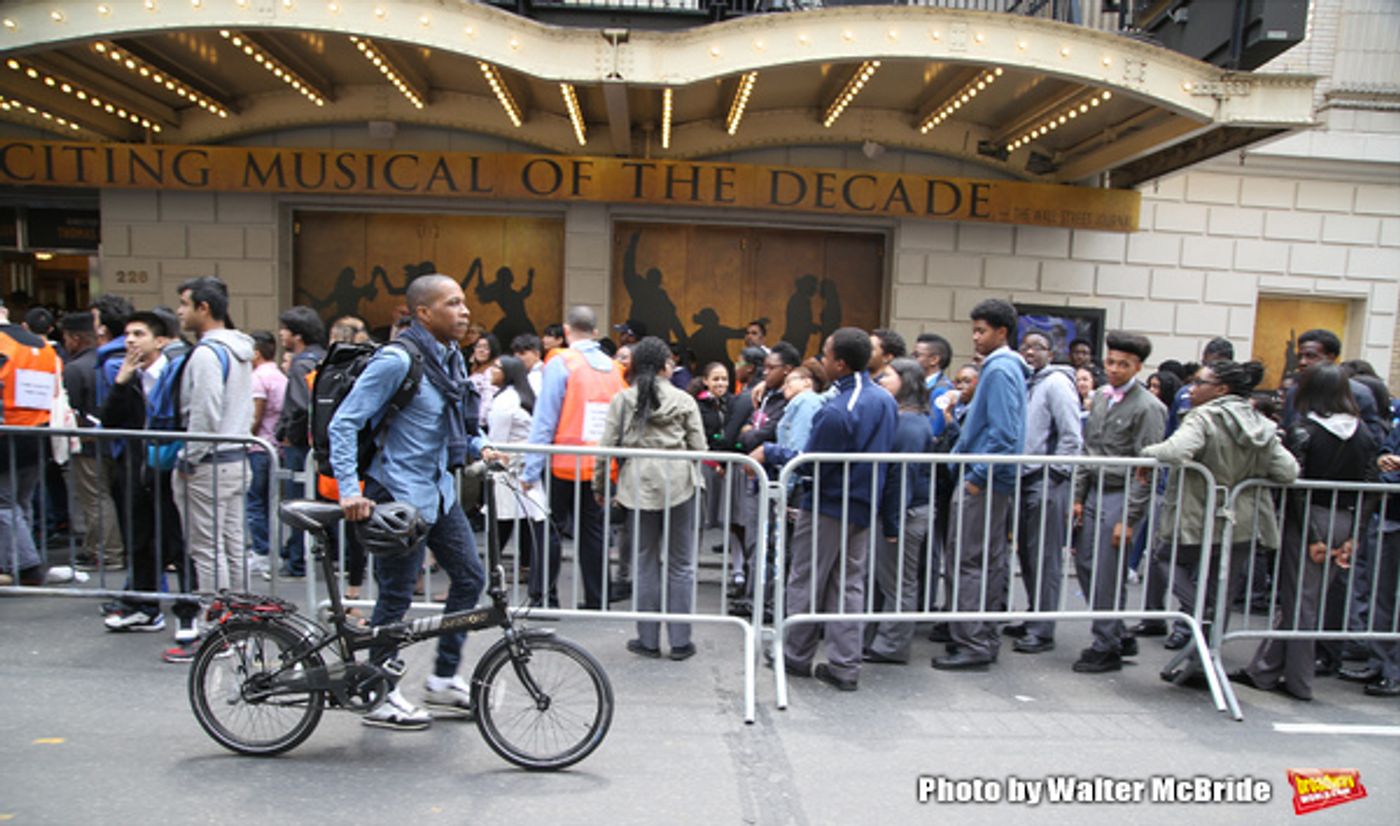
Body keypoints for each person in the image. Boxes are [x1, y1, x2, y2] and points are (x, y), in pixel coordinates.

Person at [331, 273, 490, 730]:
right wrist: (349, 490)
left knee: (469, 578)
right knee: (396, 597)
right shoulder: (397, 360)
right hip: (397, 493)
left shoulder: (450, 360)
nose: (464, 311)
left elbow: (451, 422)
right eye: (453, 303)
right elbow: (345, 423)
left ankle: (441, 678)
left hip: (438, 493)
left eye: (464, 302)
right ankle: (377, 693)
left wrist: (481, 448)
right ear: (424, 313)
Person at [1139, 361, 1299, 663]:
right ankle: (1206, 655)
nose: (1192, 389)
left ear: (1221, 389)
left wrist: (1146, 455)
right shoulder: (1259, 422)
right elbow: (1288, 470)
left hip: (1199, 516)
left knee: (1165, 557)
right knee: (1223, 584)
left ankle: (1198, 613)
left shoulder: (1204, 417)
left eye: (1199, 383)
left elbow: (1175, 451)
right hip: (1242, 519)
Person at [1234, 364, 1377, 701]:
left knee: (1302, 602)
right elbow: (1371, 489)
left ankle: (1298, 680)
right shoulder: (1364, 434)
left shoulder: (1305, 430)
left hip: (1310, 520)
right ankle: (1266, 670)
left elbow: (1296, 487)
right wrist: (1354, 534)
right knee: (1307, 599)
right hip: (1346, 518)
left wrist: (1314, 536)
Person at [779, 328, 897, 691]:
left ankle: (795, 655)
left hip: (830, 504)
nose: (823, 361)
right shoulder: (883, 399)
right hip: (863, 505)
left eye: (827, 356)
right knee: (849, 584)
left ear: (841, 363)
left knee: (806, 578)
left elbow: (812, 462)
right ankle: (845, 665)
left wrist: (770, 453)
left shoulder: (840, 408)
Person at [595, 337, 707, 660]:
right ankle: (681, 641)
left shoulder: (623, 399)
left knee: (645, 562)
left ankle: (647, 640)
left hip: (637, 485)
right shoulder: (684, 400)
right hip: (681, 484)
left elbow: (606, 448)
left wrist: (600, 487)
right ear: (664, 366)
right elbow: (700, 449)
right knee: (681, 565)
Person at [933, 300, 1029, 672]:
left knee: (969, 561)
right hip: (988, 478)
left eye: (981, 330)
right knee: (984, 560)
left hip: (985, 481)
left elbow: (1004, 433)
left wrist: (975, 478)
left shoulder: (1001, 369)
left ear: (1001, 332)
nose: (975, 337)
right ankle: (980, 637)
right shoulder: (1004, 368)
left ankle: (972, 640)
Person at [166, 277, 256, 660]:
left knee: (207, 549)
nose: (180, 313)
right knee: (233, 546)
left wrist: (189, 457)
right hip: (236, 458)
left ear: (204, 307)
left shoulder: (206, 354)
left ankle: (218, 629)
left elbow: (204, 413)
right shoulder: (240, 350)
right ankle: (240, 625)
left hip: (210, 463)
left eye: (185, 304)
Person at [1070, 331, 1166, 674]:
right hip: (1095, 487)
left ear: (1138, 367)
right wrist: (1078, 497)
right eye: (1110, 362)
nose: (1114, 369)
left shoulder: (1149, 408)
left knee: (1107, 571)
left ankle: (1106, 643)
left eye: (1123, 364)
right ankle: (1117, 631)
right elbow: (1088, 449)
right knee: (1084, 564)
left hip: (1121, 492)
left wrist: (1129, 517)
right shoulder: (1100, 398)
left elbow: (1145, 468)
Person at [523, 306, 627, 609]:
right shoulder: (613, 369)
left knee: (550, 529)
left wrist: (531, 470)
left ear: (567, 331)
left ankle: (545, 599)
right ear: (595, 332)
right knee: (593, 532)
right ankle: (599, 599)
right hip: (599, 464)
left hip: (561, 462)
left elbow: (545, 419)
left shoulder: (561, 363)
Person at [98, 312, 185, 630]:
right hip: (135, 469)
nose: (131, 340)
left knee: (177, 542)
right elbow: (109, 419)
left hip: (168, 469)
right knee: (139, 540)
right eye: (127, 334)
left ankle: (187, 612)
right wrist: (122, 381)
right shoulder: (129, 376)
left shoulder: (175, 374)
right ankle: (145, 607)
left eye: (139, 334)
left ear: (160, 341)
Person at [1002, 330, 1082, 655]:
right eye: (1026, 346)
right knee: (1028, 553)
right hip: (1023, 478)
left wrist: (1056, 474)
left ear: (1051, 352)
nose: (1031, 351)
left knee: (1045, 555)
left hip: (1045, 479)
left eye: (1039, 347)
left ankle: (1043, 627)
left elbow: (1070, 435)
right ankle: (1035, 613)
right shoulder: (1026, 382)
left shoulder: (1057, 384)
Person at [864, 358, 936, 664]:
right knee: (889, 579)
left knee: (898, 582)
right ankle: (881, 639)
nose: (881, 379)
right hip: (901, 510)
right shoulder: (906, 419)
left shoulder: (909, 424)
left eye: (889, 376)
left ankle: (892, 645)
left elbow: (901, 477)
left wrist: (892, 524)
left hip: (905, 513)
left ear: (906, 382)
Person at [0, 302, 63, 586]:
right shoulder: (42, 347)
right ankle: (15, 561)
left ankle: (26, 565)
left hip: (8, 434)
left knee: (5, 504)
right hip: (37, 432)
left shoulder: (4, 344)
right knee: (21, 502)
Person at [60, 312, 124, 571]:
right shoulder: (105, 361)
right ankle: (103, 549)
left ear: (75, 338)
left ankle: (107, 553)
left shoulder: (75, 368)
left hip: (88, 443)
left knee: (96, 499)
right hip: (113, 442)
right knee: (107, 497)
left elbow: (70, 408)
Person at [487, 355, 550, 600]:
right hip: (520, 465)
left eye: (496, 367)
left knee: (502, 521)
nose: (491, 371)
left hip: (510, 467)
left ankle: (492, 572)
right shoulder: (519, 396)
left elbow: (497, 438)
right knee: (519, 519)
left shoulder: (505, 401)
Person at [273, 306, 326, 579]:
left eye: (285, 329)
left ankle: (296, 560)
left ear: (297, 334)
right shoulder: (325, 358)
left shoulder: (300, 363)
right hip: (320, 444)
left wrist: (285, 433)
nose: (281, 334)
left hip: (300, 445)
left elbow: (297, 407)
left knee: (297, 503)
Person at [1284, 329, 1385, 444]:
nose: (1302, 362)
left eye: (1310, 356)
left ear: (1331, 358)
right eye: (1300, 356)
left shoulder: (1358, 394)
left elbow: (1372, 440)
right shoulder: (1294, 392)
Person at [245, 331, 286, 579]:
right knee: (269, 502)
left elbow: (255, 416)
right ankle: (271, 551)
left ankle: (263, 553)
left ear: (256, 353)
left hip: (259, 447)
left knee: (256, 503)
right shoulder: (279, 375)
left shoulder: (258, 378)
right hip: (274, 447)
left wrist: (242, 437)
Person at [691, 362, 730, 529]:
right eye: (716, 379)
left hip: (721, 464)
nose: (720, 383)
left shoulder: (728, 402)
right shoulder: (697, 405)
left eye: (724, 379)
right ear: (706, 381)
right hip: (705, 463)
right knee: (701, 516)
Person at [914, 332, 955, 437]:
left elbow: (934, 430)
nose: (912, 360)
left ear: (934, 360)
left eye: (917, 355)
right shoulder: (919, 385)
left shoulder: (941, 391)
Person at [468, 332, 500, 426]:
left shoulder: (493, 370)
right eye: (478, 347)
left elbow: (488, 400)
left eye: (486, 348)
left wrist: (478, 423)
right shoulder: (476, 369)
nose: (481, 350)